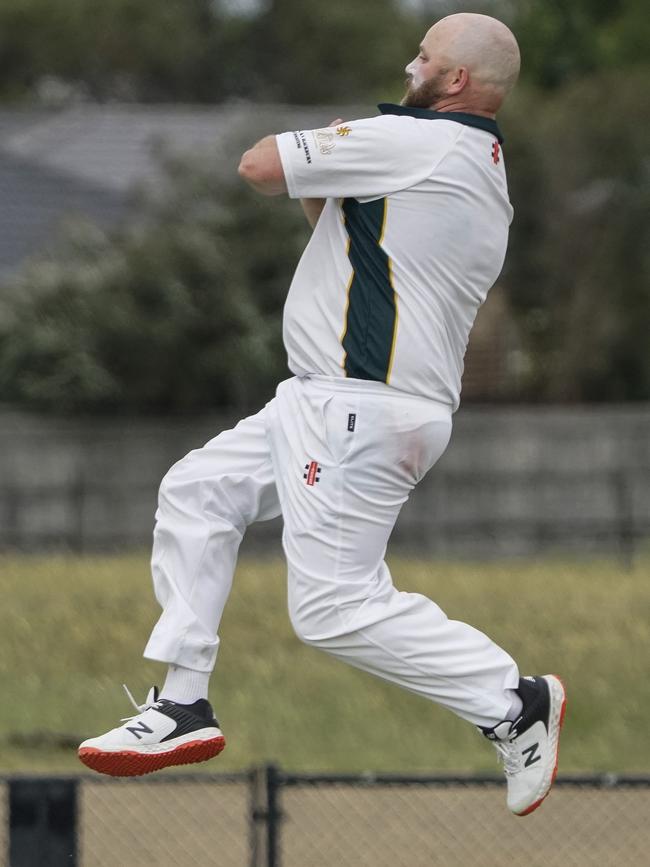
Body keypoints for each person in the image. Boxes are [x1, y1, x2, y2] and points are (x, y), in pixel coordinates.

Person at [78, 12, 566, 816]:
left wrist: (335, 141)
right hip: (332, 399)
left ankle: (512, 700)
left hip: (356, 406)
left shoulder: (415, 140)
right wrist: (338, 168)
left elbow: (260, 165)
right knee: (198, 491)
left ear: (457, 84)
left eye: (425, 55)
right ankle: (182, 703)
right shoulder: (474, 164)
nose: (409, 61)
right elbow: (338, 225)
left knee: (334, 608)